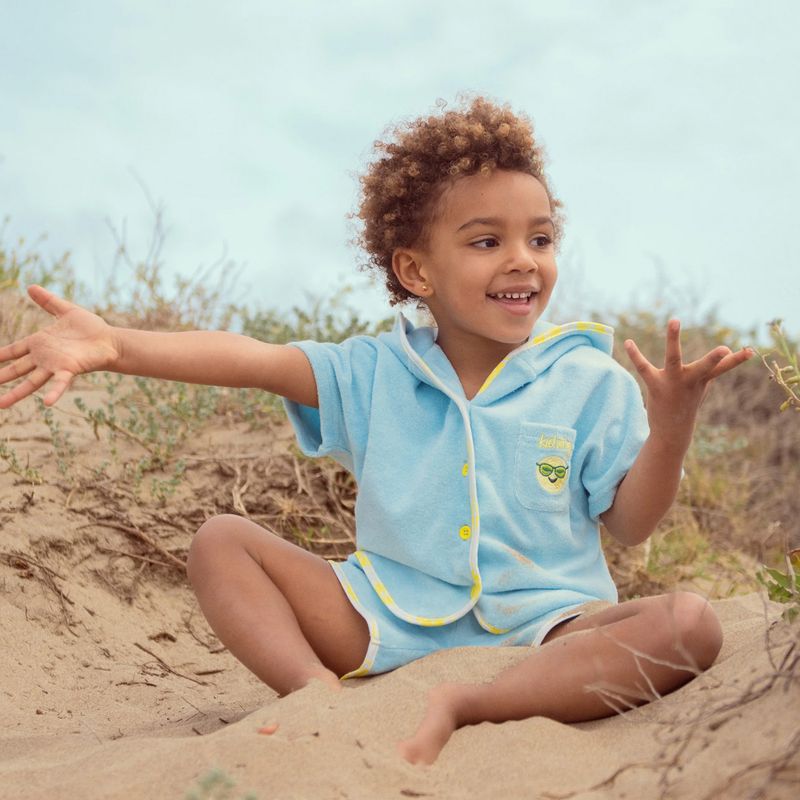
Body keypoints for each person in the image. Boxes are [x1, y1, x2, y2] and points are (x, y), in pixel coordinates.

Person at [0, 95, 752, 765]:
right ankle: (313, 695)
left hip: (551, 628)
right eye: (487, 241)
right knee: (220, 542)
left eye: (542, 238)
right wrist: (116, 345)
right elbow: (250, 358)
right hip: (385, 622)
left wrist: (671, 431)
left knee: (689, 624)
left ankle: (471, 703)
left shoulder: (590, 381)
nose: (523, 260)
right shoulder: (371, 373)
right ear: (417, 271)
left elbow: (630, 522)